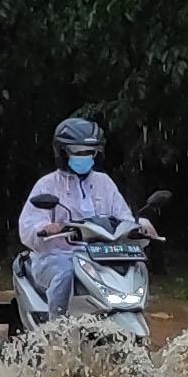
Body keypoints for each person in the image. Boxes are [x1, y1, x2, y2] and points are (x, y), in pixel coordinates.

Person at [17, 116, 153, 317]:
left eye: (89, 152)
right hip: (57, 256)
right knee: (65, 273)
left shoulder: (104, 183)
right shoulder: (48, 184)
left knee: (136, 268)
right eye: (78, 152)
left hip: (100, 256)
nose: (84, 156)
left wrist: (137, 227)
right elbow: (28, 224)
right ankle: (57, 331)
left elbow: (123, 217)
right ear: (63, 153)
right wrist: (45, 227)